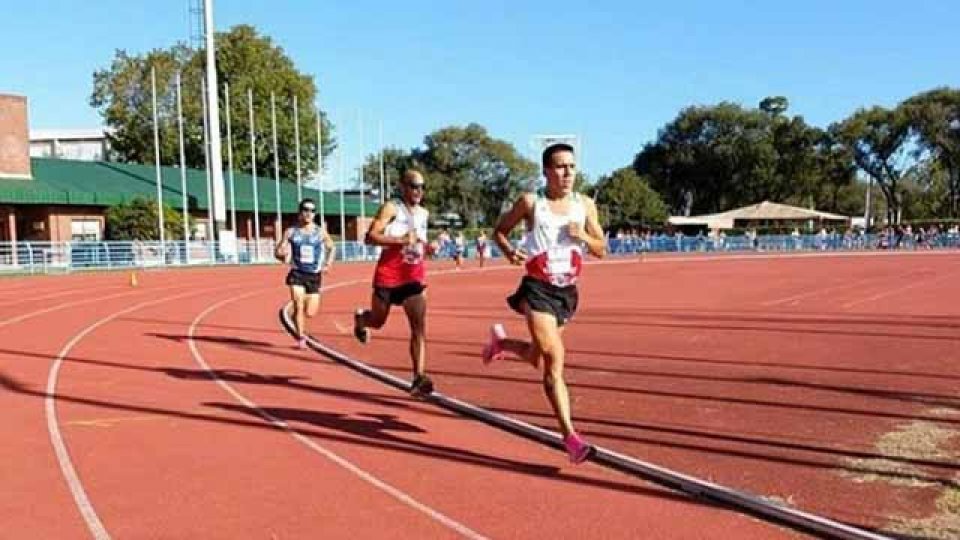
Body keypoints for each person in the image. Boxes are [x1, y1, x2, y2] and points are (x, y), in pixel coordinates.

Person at [481, 142, 606, 463]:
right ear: (547, 171)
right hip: (537, 289)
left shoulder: (586, 205)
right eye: (561, 167)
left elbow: (601, 248)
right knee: (555, 356)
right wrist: (509, 251)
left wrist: (584, 237)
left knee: (540, 358)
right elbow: (500, 231)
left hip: (567, 292)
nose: (568, 174)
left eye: (572, 167)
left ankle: (502, 344)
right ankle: (571, 438)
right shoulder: (531, 202)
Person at [353, 170, 435, 396]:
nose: (418, 191)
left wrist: (429, 248)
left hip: (413, 275)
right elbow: (370, 237)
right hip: (389, 275)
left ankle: (419, 377)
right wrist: (399, 241)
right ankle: (361, 320)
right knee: (378, 321)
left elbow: (419, 242)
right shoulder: (391, 208)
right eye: (414, 186)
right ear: (403, 186)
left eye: (422, 186)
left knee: (418, 327)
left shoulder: (424, 213)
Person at [275, 198, 335, 349]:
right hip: (297, 273)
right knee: (298, 304)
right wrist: (281, 255)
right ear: (300, 212)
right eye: (306, 210)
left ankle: (298, 315)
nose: (309, 213)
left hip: (314, 275)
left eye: (312, 210)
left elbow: (332, 247)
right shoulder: (290, 232)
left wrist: (328, 263)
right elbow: (278, 251)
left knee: (310, 312)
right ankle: (301, 337)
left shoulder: (320, 232)